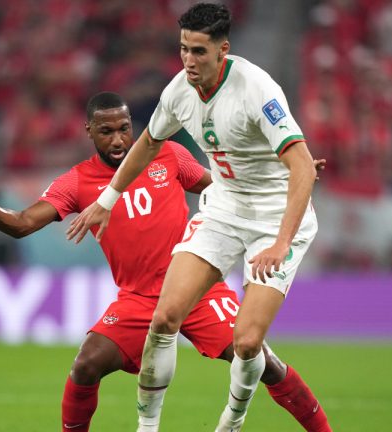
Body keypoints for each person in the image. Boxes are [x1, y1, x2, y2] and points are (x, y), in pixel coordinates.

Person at [0, 92, 331, 431]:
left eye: (124, 129)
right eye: (106, 131)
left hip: (196, 288)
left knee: (262, 362)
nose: (118, 140)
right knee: (86, 365)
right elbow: (23, 224)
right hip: (139, 299)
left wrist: (290, 177)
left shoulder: (169, 154)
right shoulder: (78, 182)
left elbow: (230, 189)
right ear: (89, 131)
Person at [66, 4, 330, 431]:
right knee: (165, 317)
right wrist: (110, 198)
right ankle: (147, 428)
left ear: (222, 50)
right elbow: (150, 142)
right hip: (224, 208)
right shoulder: (178, 91)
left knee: (247, 344)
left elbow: (301, 167)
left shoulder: (256, 89)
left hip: (273, 218)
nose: (189, 60)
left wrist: (281, 243)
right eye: (183, 49)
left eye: (199, 52)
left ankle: (232, 420)